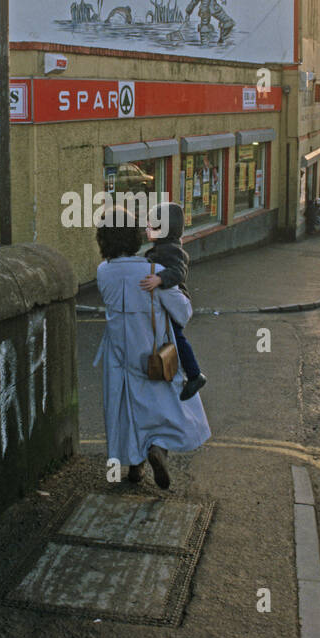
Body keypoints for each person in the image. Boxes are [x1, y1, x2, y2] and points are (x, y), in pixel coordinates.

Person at [95, 208, 210, 489]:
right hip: (154, 354)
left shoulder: (103, 272)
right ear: (134, 236)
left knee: (126, 410)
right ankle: (158, 449)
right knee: (162, 410)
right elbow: (182, 313)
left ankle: (135, 468)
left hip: (118, 355)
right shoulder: (153, 272)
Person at [138, 202, 207, 401]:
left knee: (176, 337)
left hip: (179, 300)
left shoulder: (170, 250)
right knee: (173, 337)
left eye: (151, 226)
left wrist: (160, 278)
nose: (146, 229)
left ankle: (194, 375)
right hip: (170, 301)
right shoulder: (164, 247)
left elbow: (178, 272)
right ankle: (185, 373)